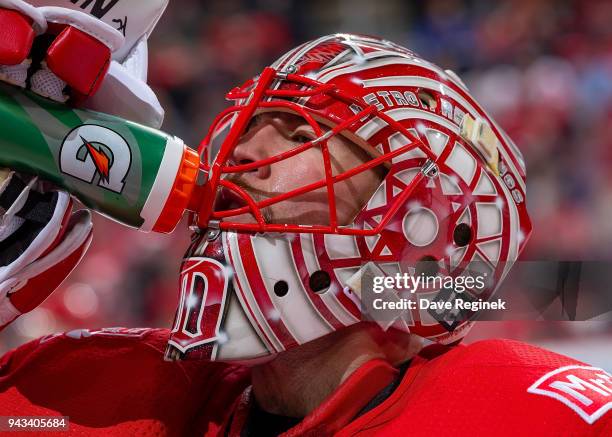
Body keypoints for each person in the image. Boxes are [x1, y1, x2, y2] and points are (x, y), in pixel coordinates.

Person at [0, 3, 610, 436]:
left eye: (300, 134)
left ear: (418, 232)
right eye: (249, 124)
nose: (240, 152)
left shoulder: (525, 413)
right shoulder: (93, 391)